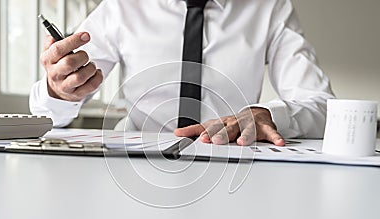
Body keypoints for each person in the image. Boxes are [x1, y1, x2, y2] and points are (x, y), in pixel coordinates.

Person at [30, 0, 334, 146]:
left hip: (232, 162)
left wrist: (266, 114)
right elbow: (49, 118)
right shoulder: (121, 7)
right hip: (135, 163)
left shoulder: (269, 8)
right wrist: (59, 91)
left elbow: (321, 107)